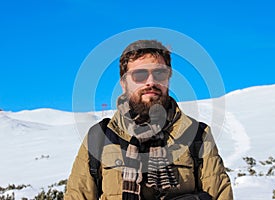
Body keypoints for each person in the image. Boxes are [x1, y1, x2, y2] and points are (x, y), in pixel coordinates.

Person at [64, 40, 233, 200]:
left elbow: (220, 195)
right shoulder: (100, 136)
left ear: (168, 79)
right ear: (124, 83)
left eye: (159, 73)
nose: (151, 82)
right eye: (140, 75)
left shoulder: (196, 135)